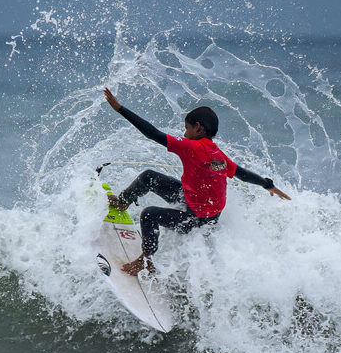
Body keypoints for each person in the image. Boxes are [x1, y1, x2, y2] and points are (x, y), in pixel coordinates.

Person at [103, 87, 291, 274]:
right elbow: (243, 174)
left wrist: (120, 108)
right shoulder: (218, 154)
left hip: (197, 220)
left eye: (187, 128)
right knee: (148, 177)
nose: (184, 133)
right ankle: (122, 203)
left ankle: (145, 260)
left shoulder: (192, 146)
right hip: (200, 206)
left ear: (198, 127)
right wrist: (268, 184)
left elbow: (152, 133)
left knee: (148, 214)